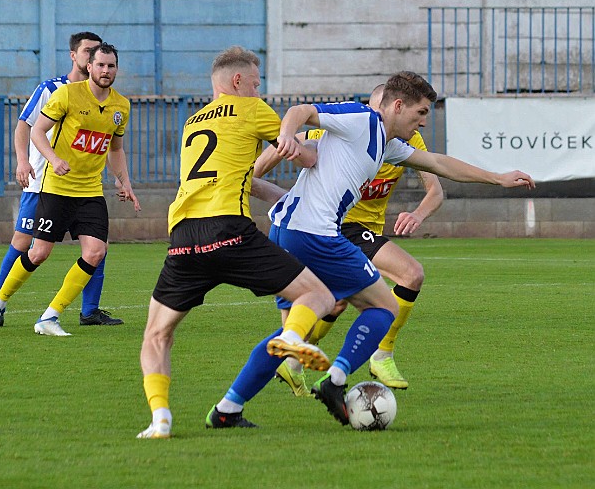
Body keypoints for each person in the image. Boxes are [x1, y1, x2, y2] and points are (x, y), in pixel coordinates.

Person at [209, 71, 534, 428]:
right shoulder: (360, 118)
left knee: (292, 334)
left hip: (289, 231)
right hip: (314, 233)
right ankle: (334, 381)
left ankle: (227, 409)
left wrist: (498, 177)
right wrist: (285, 135)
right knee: (385, 305)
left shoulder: (387, 144)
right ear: (398, 105)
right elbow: (301, 110)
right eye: (421, 113)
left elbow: (440, 164)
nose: (424, 122)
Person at [137, 46, 335, 440]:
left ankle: (159, 419)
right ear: (238, 81)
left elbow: (234, 175)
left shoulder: (193, 123)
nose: (260, 90)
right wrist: (326, 148)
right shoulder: (253, 109)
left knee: (156, 335)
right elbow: (306, 156)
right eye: (257, 83)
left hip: (183, 237)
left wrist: (281, 195)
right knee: (319, 297)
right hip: (228, 231)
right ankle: (290, 341)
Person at [256, 84, 444, 394]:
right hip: (336, 226)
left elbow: (436, 187)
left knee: (333, 302)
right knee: (410, 274)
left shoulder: (402, 138)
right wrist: (250, 177)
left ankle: (291, 359)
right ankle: (380, 355)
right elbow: (289, 142)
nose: (375, 119)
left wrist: (418, 215)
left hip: (360, 229)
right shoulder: (349, 125)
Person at [0, 42, 140, 337]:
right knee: (38, 252)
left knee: (96, 252)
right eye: (100, 65)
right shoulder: (64, 94)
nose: (106, 71)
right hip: (56, 187)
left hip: (90, 191)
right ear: (88, 67)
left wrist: (123, 179)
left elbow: (116, 148)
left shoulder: (121, 106)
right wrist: (52, 159)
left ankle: (50, 316)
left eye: (111, 66)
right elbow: (36, 130)